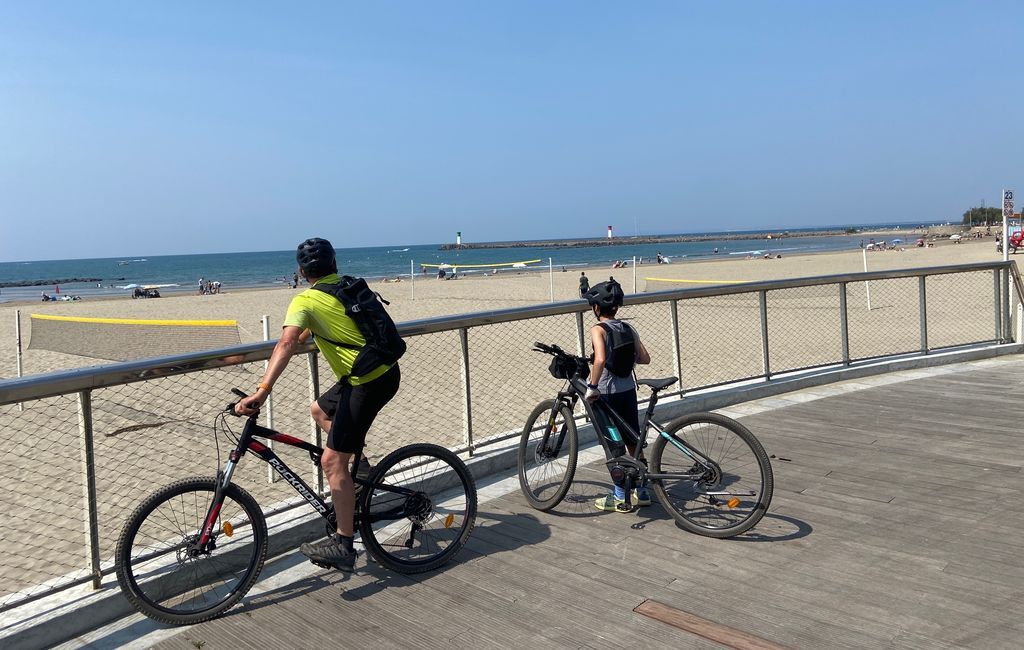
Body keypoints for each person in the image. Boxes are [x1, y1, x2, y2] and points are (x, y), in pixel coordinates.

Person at [235, 238, 401, 572]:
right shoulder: (345, 286)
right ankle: (361, 466)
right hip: (379, 371)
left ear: (301, 272)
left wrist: (262, 390)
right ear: (334, 264)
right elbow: (308, 334)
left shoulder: (305, 300)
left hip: (366, 381)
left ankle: (344, 543)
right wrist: (305, 334)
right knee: (320, 411)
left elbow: (286, 342)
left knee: (331, 460)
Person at [581, 280, 652, 512]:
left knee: (613, 443)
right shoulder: (629, 328)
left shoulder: (598, 329)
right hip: (628, 389)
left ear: (596, 308)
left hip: (606, 394)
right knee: (633, 439)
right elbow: (645, 358)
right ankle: (642, 491)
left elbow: (600, 359)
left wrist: (592, 386)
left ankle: (620, 495)